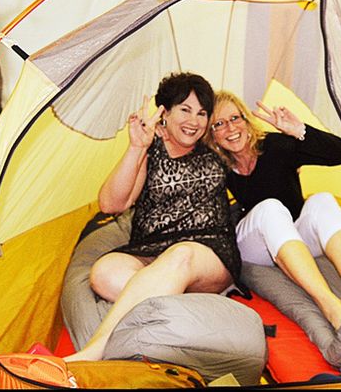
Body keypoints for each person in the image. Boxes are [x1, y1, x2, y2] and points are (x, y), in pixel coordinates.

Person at [64, 73, 241, 362]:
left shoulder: (214, 147)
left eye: (202, 113)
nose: (194, 121)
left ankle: (97, 348)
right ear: (164, 113)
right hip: (149, 250)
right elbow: (111, 204)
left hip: (207, 251)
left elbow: (247, 146)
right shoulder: (150, 148)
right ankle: (176, 298)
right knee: (103, 273)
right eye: (184, 110)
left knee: (180, 255)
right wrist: (137, 147)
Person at [207, 91, 341, 330]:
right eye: (219, 124)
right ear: (212, 136)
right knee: (270, 208)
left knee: (322, 200)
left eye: (235, 118)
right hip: (254, 247)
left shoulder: (275, 146)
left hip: (292, 238)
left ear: (246, 120)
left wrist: (299, 131)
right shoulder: (214, 166)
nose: (230, 128)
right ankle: (331, 306)